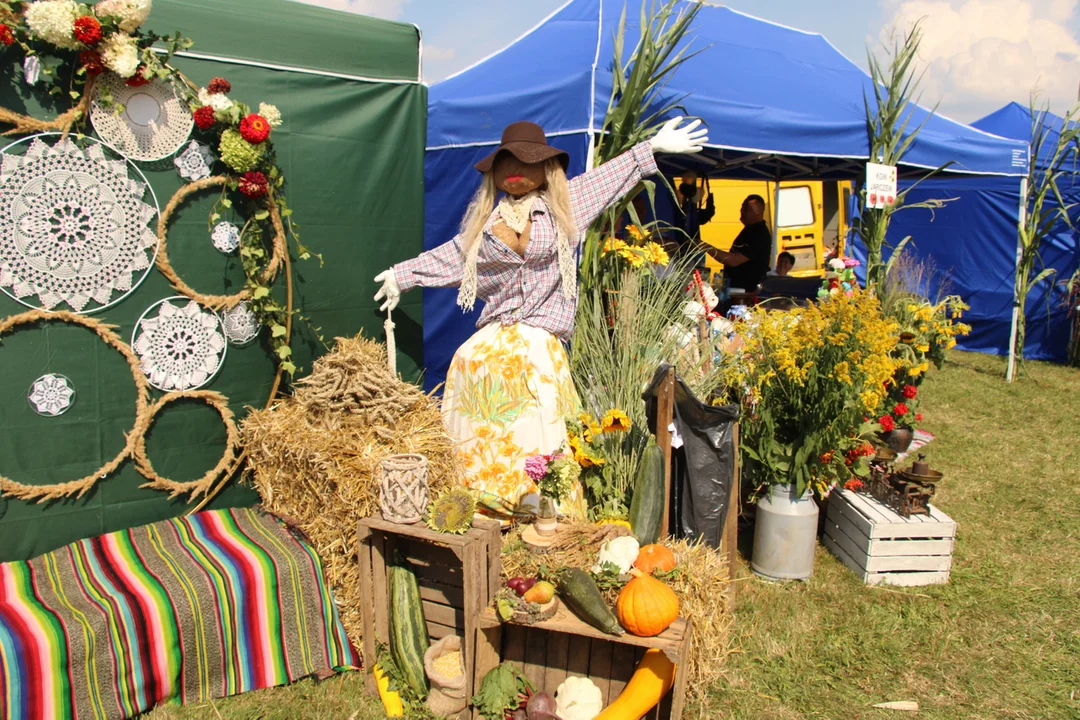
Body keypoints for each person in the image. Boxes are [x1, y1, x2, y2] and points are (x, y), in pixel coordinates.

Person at [372, 117, 707, 521]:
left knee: (537, 418)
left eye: (528, 161)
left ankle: (542, 507)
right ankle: (474, 500)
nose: (516, 170)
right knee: (468, 375)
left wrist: (651, 147)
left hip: (538, 339)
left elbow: (611, 175)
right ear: (494, 173)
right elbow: (450, 257)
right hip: (491, 339)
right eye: (507, 162)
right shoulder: (484, 225)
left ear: (545, 168)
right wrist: (400, 275)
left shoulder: (564, 205)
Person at [703, 194, 772, 291]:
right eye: (742, 207)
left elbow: (733, 260)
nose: (741, 211)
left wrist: (705, 247)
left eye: (746, 209)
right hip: (736, 288)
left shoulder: (758, 234)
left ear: (758, 212)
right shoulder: (750, 230)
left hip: (745, 292)